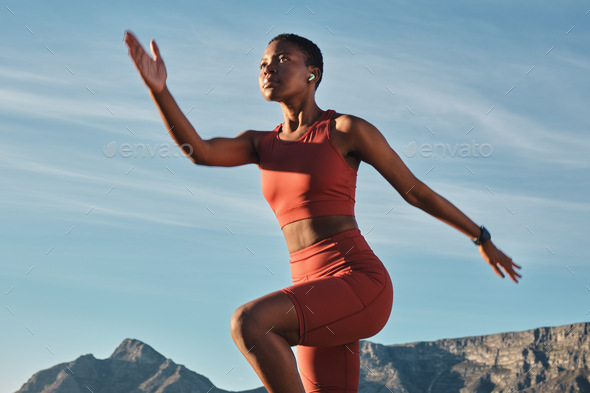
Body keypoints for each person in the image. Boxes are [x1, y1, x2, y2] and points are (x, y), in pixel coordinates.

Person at [124, 31, 521, 393]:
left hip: (357, 281)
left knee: (249, 322)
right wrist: (159, 90)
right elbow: (201, 152)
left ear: (312, 74)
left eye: (281, 59)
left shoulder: (345, 130)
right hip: (311, 293)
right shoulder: (261, 144)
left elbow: (414, 190)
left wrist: (481, 237)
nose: (268, 68)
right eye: (263, 63)